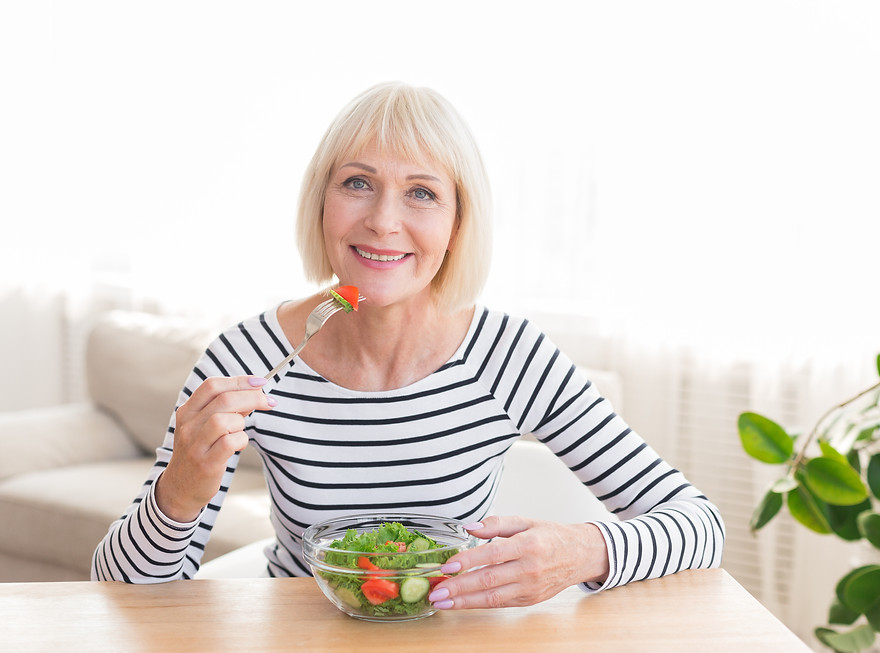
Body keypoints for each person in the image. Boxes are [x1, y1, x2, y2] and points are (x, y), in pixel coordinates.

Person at [92, 82, 725, 609]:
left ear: (457, 225)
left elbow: (700, 525)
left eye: (421, 192)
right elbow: (118, 593)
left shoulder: (506, 356)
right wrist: (177, 495)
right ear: (321, 205)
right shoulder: (247, 358)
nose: (383, 220)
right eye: (357, 183)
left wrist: (585, 549)